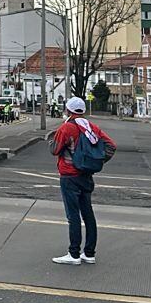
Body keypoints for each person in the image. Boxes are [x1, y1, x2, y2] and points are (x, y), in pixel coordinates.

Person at [51, 96, 115, 265]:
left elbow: (55, 149)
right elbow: (111, 146)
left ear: (68, 111)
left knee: (73, 216)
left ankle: (73, 254)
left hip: (69, 176)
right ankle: (89, 253)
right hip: (86, 175)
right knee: (88, 214)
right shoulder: (92, 127)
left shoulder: (67, 128)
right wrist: (96, 161)